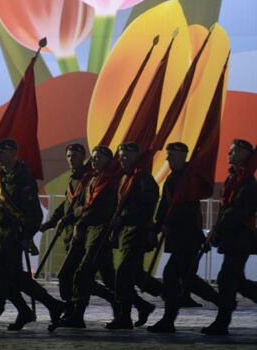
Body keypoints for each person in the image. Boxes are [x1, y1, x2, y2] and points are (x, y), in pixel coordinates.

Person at [0, 138, 64, 335]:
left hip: (15, 235)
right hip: (0, 235)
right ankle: (52, 305)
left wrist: (27, 235)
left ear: (14, 153)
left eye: (3, 151)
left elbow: (34, 213)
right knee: (17, 278)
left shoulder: (23, 179)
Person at [148, 142, 219, 333]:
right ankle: (223, 303)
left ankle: (168, 320)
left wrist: (168, 225)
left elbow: (187, 209)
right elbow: (165, 206)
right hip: (177, 237)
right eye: (168, 155)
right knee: (187, 279)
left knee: (172, 275)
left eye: (172, 155)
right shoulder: (172, 179)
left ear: (182, 156)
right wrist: (155, 228)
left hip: (188, 236)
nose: (168, 159)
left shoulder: (191, 178)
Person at [58, 145, 118, 328]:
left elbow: (94, 209)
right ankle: (74, 311)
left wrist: (78, 222)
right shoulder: (89, 178)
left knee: (83, 275)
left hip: (95, 233)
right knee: (76, 275)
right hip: (82, 232)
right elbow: (75, 206)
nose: (94, 161)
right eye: (93, 158)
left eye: (98, 158)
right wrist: (60, 220)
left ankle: (76, 314)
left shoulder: (106, 180)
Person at [202, 139, 257, 335]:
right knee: (236, 281)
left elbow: (237, 211)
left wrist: (218, 228)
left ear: (245, 155)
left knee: (227, 279)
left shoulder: (247, 182)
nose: (229, 153)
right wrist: (218, 229)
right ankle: (222, 321)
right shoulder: (234, 179)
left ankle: (222, 322)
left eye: (234, 151)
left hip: (240, 236)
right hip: (233, 236)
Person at [106, 142, 159, 329]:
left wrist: (123, 218)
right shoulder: (125, 178)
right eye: (120, 155)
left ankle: (125, 316)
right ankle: (146, 304)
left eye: (126, 155)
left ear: (137, 155)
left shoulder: (143, 179)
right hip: (125, 234)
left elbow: (146, 208)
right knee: (133, 275)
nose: (122, 159)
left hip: (136, 233)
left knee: (123, 276)